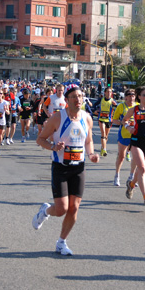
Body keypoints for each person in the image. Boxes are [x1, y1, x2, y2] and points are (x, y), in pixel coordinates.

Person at [32, 84, 99, 255]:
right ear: (67, 100)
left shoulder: (87, 118)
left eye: (81, 96)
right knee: (61, 209)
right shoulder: (57, 118)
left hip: (79, 168)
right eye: (74, 97)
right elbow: (40, 139)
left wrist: (91, 154)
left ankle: (61, 242)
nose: (78, 100)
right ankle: (45, 211)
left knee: (74, 208)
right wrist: (54, 147)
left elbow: (89, 140)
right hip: (60, 167)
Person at [112, 89, 137, 186]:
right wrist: (123, 123)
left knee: (136, 157)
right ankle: (117, 175)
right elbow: (114, 120)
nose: (131, 97)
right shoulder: (121, 106)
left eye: (133, 95)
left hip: (135, 134)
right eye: (129, 95)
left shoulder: (137, 106)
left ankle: (132, 176)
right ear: (125, 97)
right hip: (124, 134)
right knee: (121, 157)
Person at [92, 87, 117, 156]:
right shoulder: (101, 99)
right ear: (105, 93)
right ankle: (104, 150)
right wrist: (94, 111)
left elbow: (117, 109)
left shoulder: (113, 101)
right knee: (103, 134)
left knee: (106, 136)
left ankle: (103, 146)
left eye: (110, 92)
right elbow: (94, 105)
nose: (109, 93)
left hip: (108, 120)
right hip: (101, 119)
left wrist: (115, 105)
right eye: (108, 92)